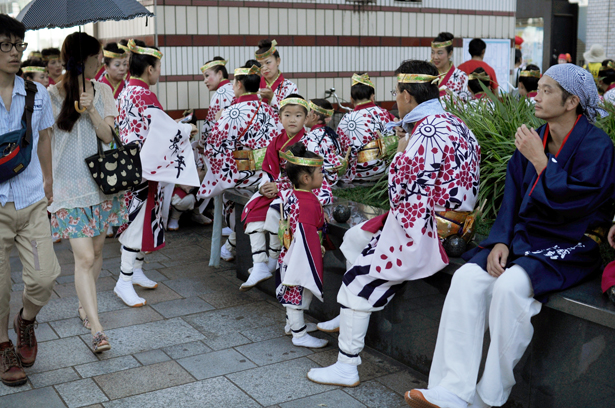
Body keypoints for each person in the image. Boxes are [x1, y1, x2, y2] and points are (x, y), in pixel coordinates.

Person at [405, 63, 615, 408]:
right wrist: (501, 239)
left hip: (573, 242)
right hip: (525, 237)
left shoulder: (597, 146)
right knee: (468, 279)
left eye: (548, 90)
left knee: (509, 288)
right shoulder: (534, 139)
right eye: (539, 88)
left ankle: (488, 397)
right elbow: (512, 200)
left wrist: (542, 162)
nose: (537, 95)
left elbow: (581, 204)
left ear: (571, 101)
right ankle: (452, 388)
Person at [306, 60, 480, 387]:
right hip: (450, 223)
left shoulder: (426, 130)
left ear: (406, 94)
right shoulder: (453, 122)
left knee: (359, 280)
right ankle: (351, 313)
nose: (395, 99)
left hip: (428, 230)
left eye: (395, 93)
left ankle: (347, 363)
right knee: (355, 239)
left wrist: (400, 153)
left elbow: (404, 193)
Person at [47, 32, 126, 353]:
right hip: (68, 189)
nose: (101, 64)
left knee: (96, 254)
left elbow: (109, 135)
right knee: (84, 257)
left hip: (100, 185)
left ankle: (85, 306)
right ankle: (97, 329)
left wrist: (92, 110)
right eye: (97, 59)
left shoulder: (104, 90)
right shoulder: (50, 95)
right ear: (83, 60)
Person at [0, 14, 61, 387]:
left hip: (32, 200)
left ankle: (25, 321)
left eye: (18, 45)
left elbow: (44, 139)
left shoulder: (36, 93)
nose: (14, 52)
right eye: (5, 45)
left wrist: (50, 180)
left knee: (44, 277)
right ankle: (3, 343)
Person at [114, 40, 200, 307]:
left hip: (134, 165)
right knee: (138, 222)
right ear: (149, 68)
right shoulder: (144, 95)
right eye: (158, 66)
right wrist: (186, 129)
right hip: (143, 168)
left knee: (145, 217)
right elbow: (162, 133)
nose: (159, 71)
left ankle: (136, 271)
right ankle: (124, 280)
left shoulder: (127, 91)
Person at [239, 95, 333, 292]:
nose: (292, 119)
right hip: (281, 187)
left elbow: (307, 177)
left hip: (304, 189)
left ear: (306, 118)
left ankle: (273, 259)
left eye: (298, 115)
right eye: (287, 115)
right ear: (279, 117)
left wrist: (279, 188)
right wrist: (264, 185)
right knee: (254, 206)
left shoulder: (309, 142)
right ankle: (259, 264)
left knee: (276, 210)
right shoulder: (276, 141)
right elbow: (268, 170)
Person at [197, 61, 278, 262]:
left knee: (236, 212)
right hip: (266, 175)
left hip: (241, 176)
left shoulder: (231, 113)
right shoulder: (269, 110)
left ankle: (244, 251)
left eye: (234, 83)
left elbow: (213, 147)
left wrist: (227, 175)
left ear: (239, 84)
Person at [276, 142, 329, 349]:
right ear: (306, 178)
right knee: (296, 292)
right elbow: (307, 233)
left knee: (295, 291)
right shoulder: (306, 202)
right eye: (320, 172)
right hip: (299, 255)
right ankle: (299, 334)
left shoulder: (294, 195)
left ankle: (292, 325)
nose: (323, 175)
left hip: (291, 252)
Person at [336, 73, 394, 183]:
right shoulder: (384, 113)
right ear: (373, 96)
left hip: (358, 172)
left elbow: (342, 149)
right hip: (383, 170)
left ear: (351, 99)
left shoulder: (346, 119)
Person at [302, 99, 346, 185]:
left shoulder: (311, 137)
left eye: (307, 112)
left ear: (314, 117)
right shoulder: (331, 134)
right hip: (335, 177)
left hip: (321, 180)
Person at [255, 39, 298, 113]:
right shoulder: (254, 86)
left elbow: (293, 113)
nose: (264, 68)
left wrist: (272, 98)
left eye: (268, 62)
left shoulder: (290, 87)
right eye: (260, 65)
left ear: (278, 61)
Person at [200, 56, 234, 145]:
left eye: (207, 76)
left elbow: (210, 124)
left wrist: (202, 143)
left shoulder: (219, 94)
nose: (205, 81)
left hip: (224, 143)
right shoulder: (235, 88)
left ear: (219, 74)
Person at [430, 32, 469, 101]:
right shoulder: (428, 75)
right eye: (433, 52)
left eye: (440, 53)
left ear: (450, 54)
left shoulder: (461, 77)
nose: (435, 57)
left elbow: (467, 104)